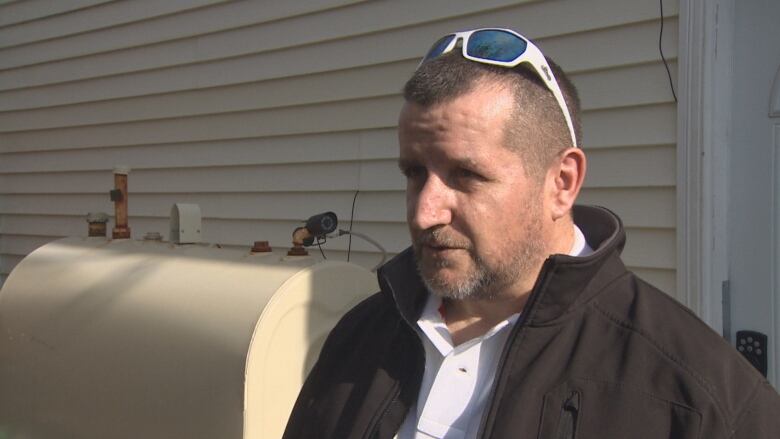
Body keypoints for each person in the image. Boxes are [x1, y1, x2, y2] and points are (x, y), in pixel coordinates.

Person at [283, 28, 780, 439]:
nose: (424, 212)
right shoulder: (362, 337)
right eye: (414, 174)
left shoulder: (700, 397)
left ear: (561, 183)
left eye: (466, 176)